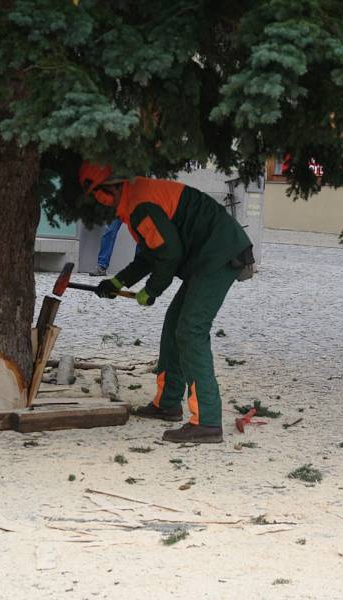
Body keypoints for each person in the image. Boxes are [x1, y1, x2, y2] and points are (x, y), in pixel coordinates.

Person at [79, 162, 253, 443]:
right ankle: (168, 403)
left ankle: (207, 422)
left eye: (95, 197)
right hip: (206, 256)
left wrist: (152, 290)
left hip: (219, 254)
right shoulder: (134, 200)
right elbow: (151, 252)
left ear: (107, 189)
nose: (96, 205)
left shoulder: (140, 205)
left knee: (190, 330)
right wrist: (118, 282)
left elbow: (169, 254)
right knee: (175, 324)